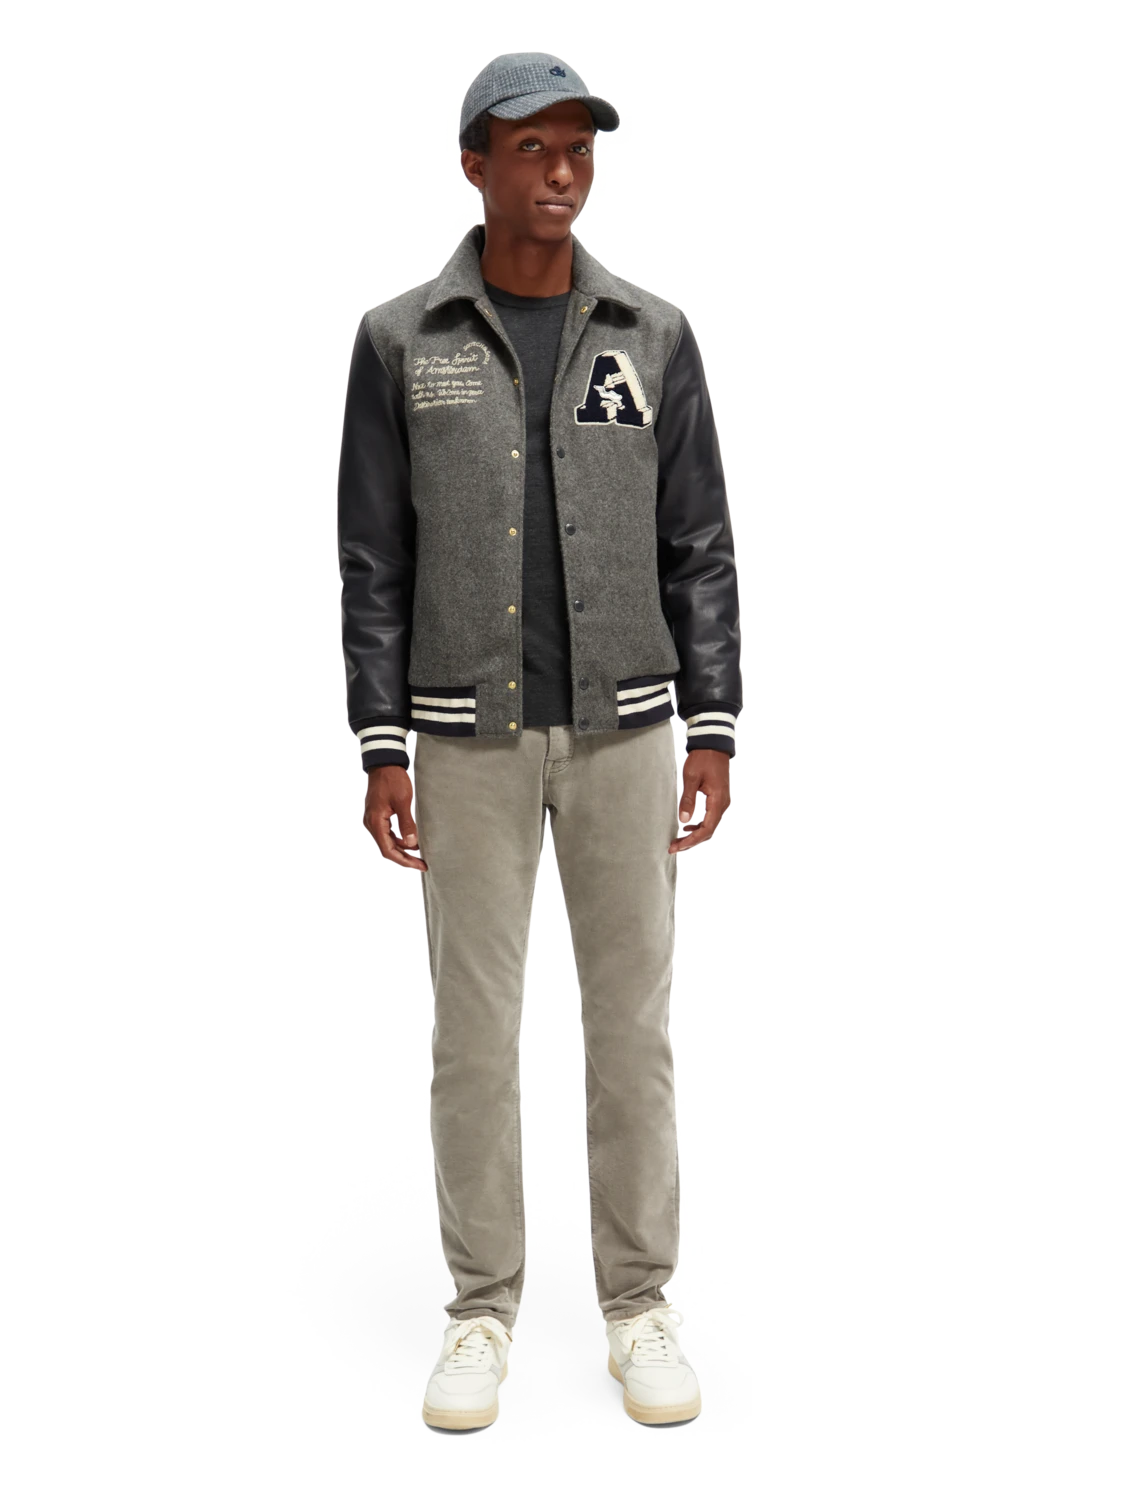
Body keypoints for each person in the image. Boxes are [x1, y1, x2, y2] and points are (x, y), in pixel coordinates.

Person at [337, 50, 742, 1430]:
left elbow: (700, 545)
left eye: (581, 147)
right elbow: (373, 561)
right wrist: (381, 743)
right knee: (475, 1033)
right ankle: (481, 1310)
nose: (563, 172)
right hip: (465, 739)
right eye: (534, 147)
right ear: (474, 165)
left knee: (633, 1027)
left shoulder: (652, 335)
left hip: (632, 731)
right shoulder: (402, 341)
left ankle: (638, 1303)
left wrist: (713, 722)